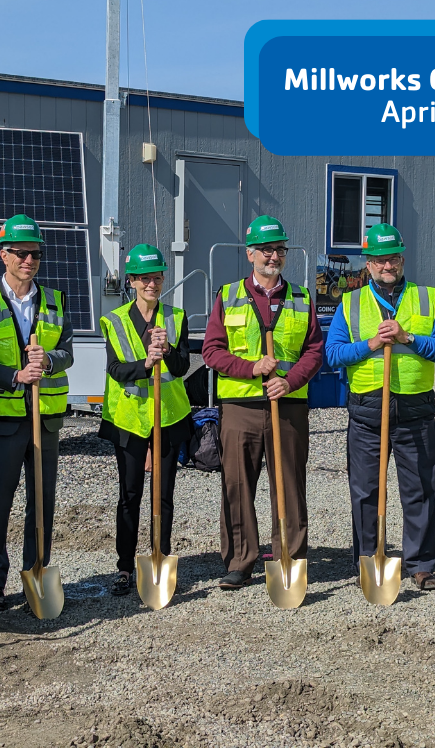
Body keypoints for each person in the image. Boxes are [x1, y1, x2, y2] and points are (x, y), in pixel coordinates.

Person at [325, 224, 435, 590]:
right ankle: (369, 560)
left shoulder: (426, 298)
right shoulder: (351, 303)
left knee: (419, 490)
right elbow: (333, 354)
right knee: (366, 492)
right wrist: (369, 344)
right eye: (380, 260)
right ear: (368, 264)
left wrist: (408, 337)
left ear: (402, 260)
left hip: (415, 411)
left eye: (393, 258)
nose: (387, 265)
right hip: (367, 412)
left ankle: (420, 564)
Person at [202, 216, 324, 589]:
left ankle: (289, 557)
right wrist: (252, 368)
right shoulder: (228, 295)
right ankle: (240, 561)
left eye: (280, 249)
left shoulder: (301, 298)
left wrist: (289, 381)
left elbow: (314, 351)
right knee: (237, 485)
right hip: (240, 408)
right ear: (250, 253)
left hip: (288, 406)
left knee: (289, 485)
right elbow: (211, 351)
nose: (274, 256)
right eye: (266, 250)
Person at [0, 215, 74, 613]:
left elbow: (67, 352)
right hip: (2, 419)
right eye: (20, 253)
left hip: (44, 419)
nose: (28, 260)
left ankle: (36, 575)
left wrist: (47, 361)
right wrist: (15, 376)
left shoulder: (55, 300)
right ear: (4, 255)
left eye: (35, 253)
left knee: (42, 502)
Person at [99, 244, 193, 596]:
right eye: (144, 279)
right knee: (130, 494)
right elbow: (115, 369)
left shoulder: (176, 317)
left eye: (157, 278)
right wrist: (145, 365)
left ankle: (159, 558)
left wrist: (167, 352)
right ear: (132, 281)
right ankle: (125, 567)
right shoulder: (115, 320)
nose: (151, 284)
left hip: (168, 417)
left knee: (163, 495)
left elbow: (182, 368)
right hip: (129, 420)